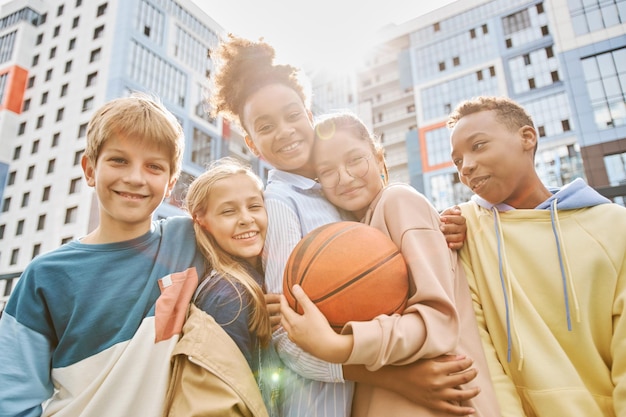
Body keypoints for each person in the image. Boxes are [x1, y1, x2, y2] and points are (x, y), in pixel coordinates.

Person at [211, 34, 481, 417]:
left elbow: (380, 261)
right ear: (252, 145)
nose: (285, 131)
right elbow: (290, 339)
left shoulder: (333, 192)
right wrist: (394, 378)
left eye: (292, 115)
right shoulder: (283, 201)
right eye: (266, 126)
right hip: (320, 403)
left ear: (309, 115)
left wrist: (445, 223)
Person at [279, 111, 500, 417]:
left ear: (380, 159)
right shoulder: (352, 233)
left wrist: (338, 348)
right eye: (327, 171)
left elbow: (437, 320)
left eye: (355, 159)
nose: (344, 177)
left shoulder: (398, 201)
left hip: (443, 401)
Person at [0, 93, 205, 417]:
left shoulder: (191, 239)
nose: (135, 177)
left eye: (153, 166)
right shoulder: (45, 276)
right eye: (119, 160)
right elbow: (12, 401)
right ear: (90, 169)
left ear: (170, 183)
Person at [447, 95, 626, 416]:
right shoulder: (464, 231)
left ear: (527, 138)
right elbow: (479, 353)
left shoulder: (615, 225)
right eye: (457, 160)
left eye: (478, 146)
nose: (466, 167)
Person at [163, 157, 276, 417]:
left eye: (254, 206)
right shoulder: (228, 295)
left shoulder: (263, 281)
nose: (246, 219)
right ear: (203, 221)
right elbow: (219, 398)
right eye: (228, 211)